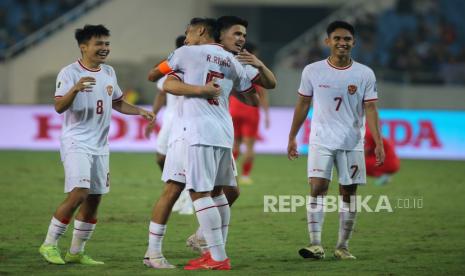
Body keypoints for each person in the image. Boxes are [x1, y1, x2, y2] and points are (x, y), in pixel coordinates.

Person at [39, 24, 154, 265]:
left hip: (100, 145)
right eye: (99, 44)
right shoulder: (69, 73)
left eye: (107, 44)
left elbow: (119, 103)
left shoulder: (109, 72)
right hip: (76, 141)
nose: (104, 48)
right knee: (79, 193)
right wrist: (75, 89)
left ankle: (76, 251)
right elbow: (59, 107)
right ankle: (49, 245)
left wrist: (140, 111)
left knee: (95, 198)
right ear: (84, 47)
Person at [287, 21, 385, 260]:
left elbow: (370, 108)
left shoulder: (364, 73)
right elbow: (303, 103)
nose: (343, 43)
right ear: (327, 41)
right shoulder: (312, 70)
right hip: (320, 140)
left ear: (354, 42)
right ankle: (315, 244)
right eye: (338, 38)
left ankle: (342, 246)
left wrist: (379, 142)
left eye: (347, 39)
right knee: (318, 188)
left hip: (352, 141)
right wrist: (292, 136)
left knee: (348, 192)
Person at [185, 15, 277, 254]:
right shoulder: (197, 54)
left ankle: (209, 243)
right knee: (191, 190)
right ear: (220, 34)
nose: (241, 39)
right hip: (191, 128)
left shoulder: (237, 62)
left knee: (228, 191)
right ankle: (204, 246)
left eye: (244, 35)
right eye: (237, 34)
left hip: (217, 128)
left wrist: (258, 63)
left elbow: (269, 84)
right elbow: (161, 77)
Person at [144, 35, 193, 215]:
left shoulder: (197, 67)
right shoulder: (170, 67)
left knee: (187, 160)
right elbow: (160, 94)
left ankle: (188, 198)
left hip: (188, 119)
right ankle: (178, 189)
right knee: (160, 157)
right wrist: (153, 116)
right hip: (170, 118)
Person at [229, 41, 270, 185]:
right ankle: (245, 176)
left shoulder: (233, 66)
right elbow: (263, 95)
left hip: (234, 109)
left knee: (235, 145)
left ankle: (228, 173)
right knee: (250, 147)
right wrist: (267, 115)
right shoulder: (256, 70)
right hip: (251, 111)